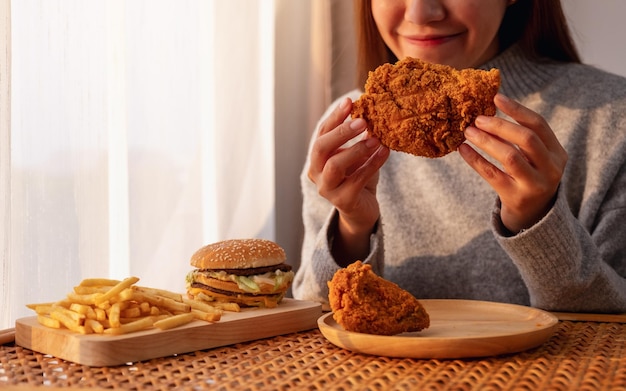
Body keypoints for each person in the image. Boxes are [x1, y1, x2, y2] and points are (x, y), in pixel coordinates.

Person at [292, 0, 626, 313]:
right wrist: (353, 227)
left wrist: (537, 221)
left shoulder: (611, 117)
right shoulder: (346, 129)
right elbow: (314, 317)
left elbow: (609, 333)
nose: (420, 13)